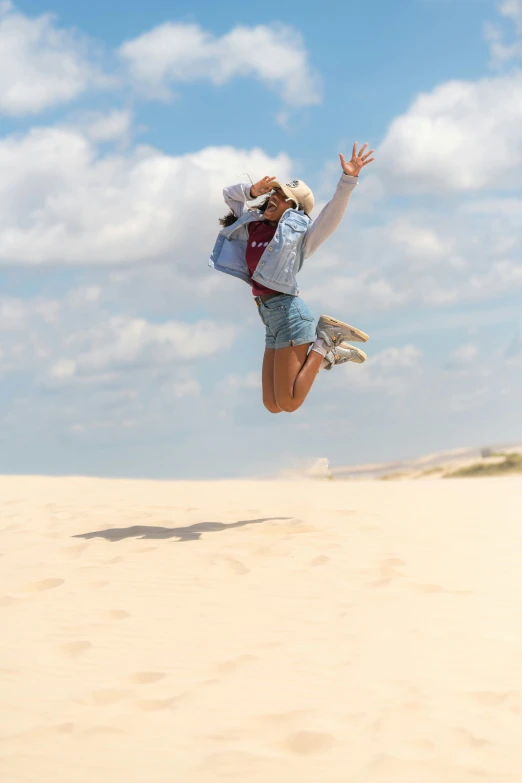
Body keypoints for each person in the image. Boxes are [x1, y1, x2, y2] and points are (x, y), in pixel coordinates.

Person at [209, 143, 375, 414]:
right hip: (270, 319)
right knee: (272, 404)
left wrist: (348, 179)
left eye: (283, 195)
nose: (274, 195)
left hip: (289, 316)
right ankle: (324, 354)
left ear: (293, 209)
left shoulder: (299, 239)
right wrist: (252, 191)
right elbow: (229, 195)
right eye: (275, 191)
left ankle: (325, 342)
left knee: (289, 402)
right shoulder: (253, 225)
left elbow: (330, 216)